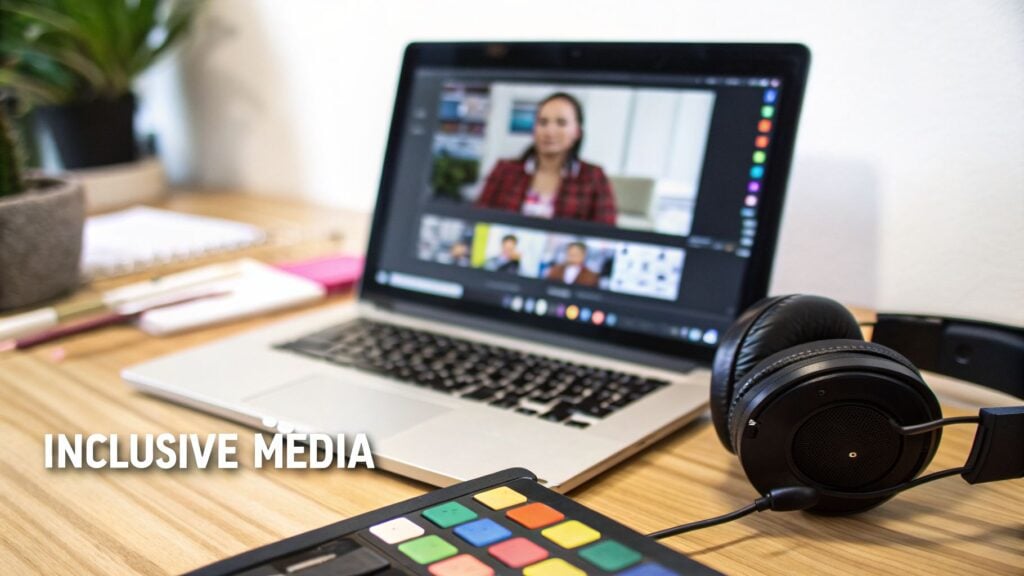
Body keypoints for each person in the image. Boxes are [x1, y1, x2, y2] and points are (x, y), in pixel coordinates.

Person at [475, 92, 616, 225]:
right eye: (543, 122)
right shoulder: (504, 170)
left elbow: (607, 235)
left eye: (561, 123)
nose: (549, 131)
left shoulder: (594, 177)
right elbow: (477, 219)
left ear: (577, 132)